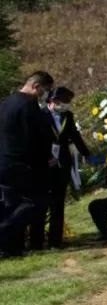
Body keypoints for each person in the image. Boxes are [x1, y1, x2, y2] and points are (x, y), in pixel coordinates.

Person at [0, 71, 54, 256]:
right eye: (45, 90)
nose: (45, 95)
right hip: (22, 163)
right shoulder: (28, 105)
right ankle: (5, 234)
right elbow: (34, 137)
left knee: (11, 204)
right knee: (31, 204)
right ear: (36, 86)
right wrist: (45, 158)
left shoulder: (6, 103)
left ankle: (12, 247)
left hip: (4, 161)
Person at [33, 87, 90, 249]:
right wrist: (45, 157)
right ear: (53, 100)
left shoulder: (68, 116)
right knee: (42, 202)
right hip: (45, 164)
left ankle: (55, 240)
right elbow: (35, 140)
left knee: (58, 202)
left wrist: (86, 153)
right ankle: (37, 241)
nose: (66, 104)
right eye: (65, 101)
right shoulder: (40, 115)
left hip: (63, 162)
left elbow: (75, 136)